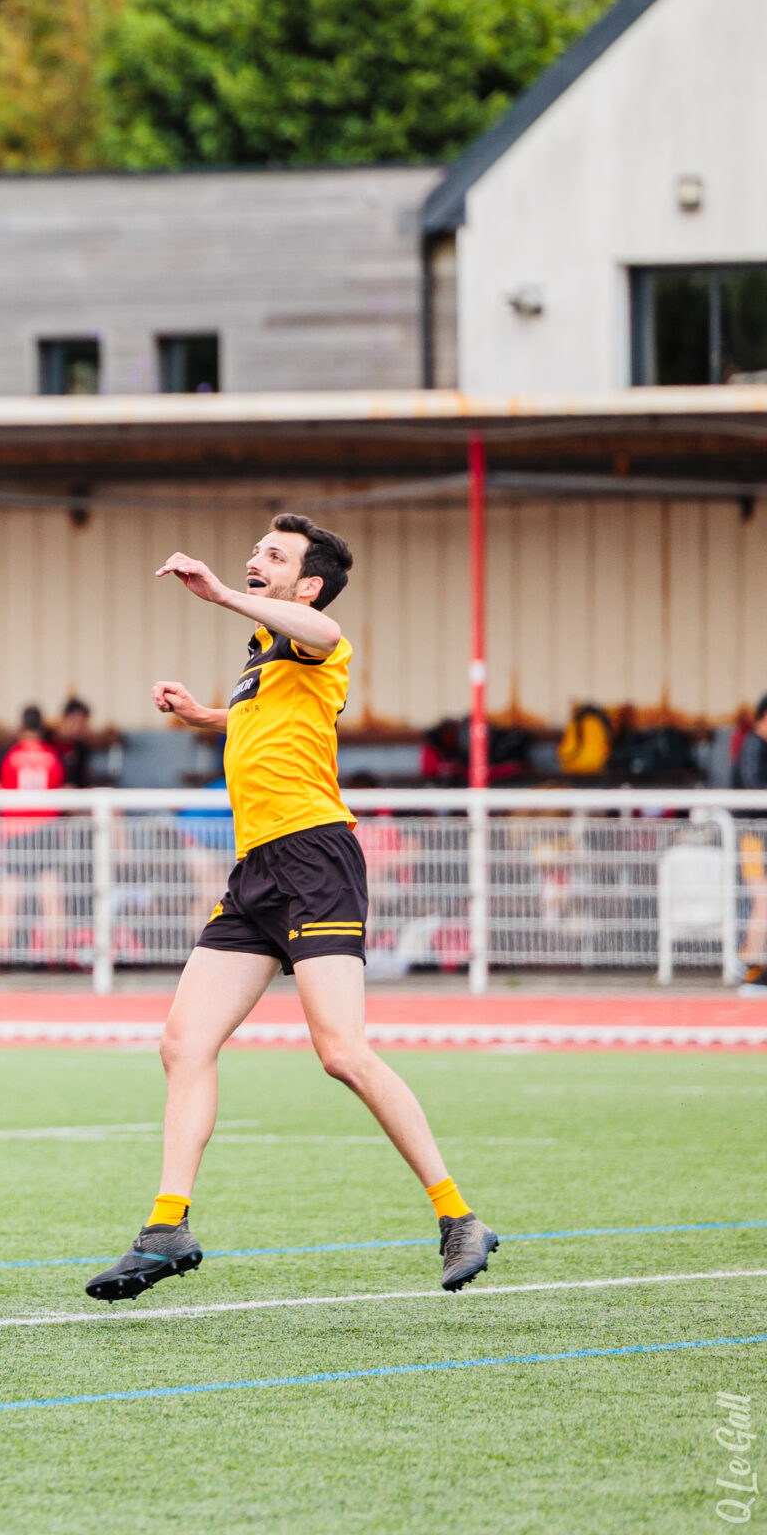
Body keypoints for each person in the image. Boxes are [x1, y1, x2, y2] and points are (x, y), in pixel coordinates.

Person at [87, 516, 497, 1302]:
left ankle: (458, 1216)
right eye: (256, 550)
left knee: (341, 1052)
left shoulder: (313, 640)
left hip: (315, 860)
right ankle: (167, 1227)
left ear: (307, 585)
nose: (255, 559)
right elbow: (272, 722)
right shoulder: (266, 659)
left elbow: (328, 631)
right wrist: (204, 715)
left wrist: (219, 594)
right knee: (183, 1043)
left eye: (274, 555)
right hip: (258, 870)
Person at [0, 708, 69, 964]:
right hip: (46, 831)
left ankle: (1, 958)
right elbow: (62, 790)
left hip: (15, 831)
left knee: (8, 899)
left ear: (21, 726)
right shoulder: (52, 756)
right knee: (51, 898)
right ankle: (54, 959)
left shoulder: (9, 755)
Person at [734, 694, 767, 988]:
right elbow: (756, 788)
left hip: (759, 835)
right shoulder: (753, 747)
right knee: (762, 899)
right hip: (753, 837)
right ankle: (751, 965)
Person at [54, 698, 98, 787]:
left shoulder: (82, 749)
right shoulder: (47, 744)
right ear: (64, 719)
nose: (79, 727)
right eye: (75, 722)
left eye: (83, 723)